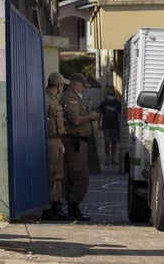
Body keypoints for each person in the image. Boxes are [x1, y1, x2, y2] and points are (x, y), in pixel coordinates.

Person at [60, 72, 100, 221]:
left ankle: (73, 206)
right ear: (76, 83)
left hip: (79, 142)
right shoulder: (71, 98)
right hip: (74, 142)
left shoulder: (75, 98)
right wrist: (92, 117)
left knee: (76, 175)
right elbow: (75, 120)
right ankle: (73, 206)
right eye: (83, 85)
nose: (84, 88)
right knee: (80, 175)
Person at [41, 72, 71, 221]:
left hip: (58, 141)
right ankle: (48, 208)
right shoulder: (46, 100)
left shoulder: (54, 100)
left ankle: (57, 205)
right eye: (62, 85)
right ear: (58, 85)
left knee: (59, 175)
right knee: (51, 175)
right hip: (50, 141)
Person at [98, 87, 122, 167]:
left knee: (114, 143)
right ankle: (107, 158)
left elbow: (120, 114)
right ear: (107, 95)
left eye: (113, 94)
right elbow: (99, 114)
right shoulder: (103, 103)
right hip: (106, 126)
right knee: (107, 142)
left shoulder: (117, 104)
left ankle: (113, 159)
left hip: (115, 126)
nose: (111, 96)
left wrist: (121, 125)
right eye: (110, 94)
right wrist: (99, 124)